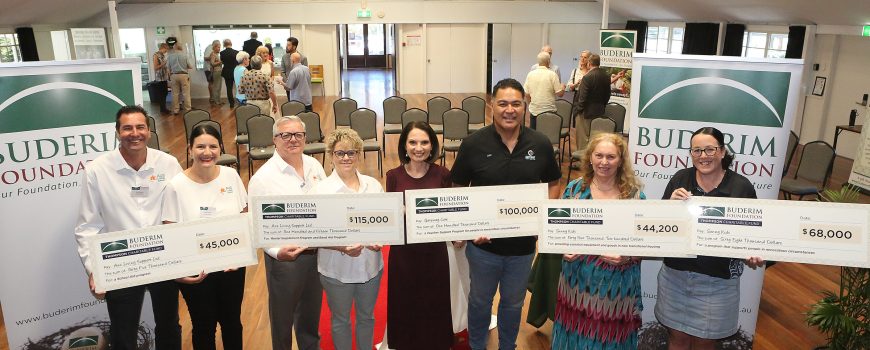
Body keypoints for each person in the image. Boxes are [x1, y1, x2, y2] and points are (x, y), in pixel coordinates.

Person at [451, 78, 562, 350]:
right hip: (483, 248)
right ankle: (478, 346)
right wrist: (466, 229)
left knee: (513, 303)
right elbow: (456, 188)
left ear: (525, 107)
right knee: (480, 302)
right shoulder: (473, 144)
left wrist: (541, 219)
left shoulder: (541, 143)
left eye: (516, 103)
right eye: (502, 103)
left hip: (523, 248)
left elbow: (554, 183)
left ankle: (507, 346)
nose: (509, 109)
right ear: (492, 106)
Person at [74, 105, 182, 350]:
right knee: (123, 331)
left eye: (140, 127)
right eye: (127, 128)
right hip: (121, 262)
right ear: (117, 132)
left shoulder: (168, 164)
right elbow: (87, 226)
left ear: (149, 131)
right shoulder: (97, 171)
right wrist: (94, 269)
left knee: (169, 325)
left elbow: (180, 212)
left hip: (164, 257)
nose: (135, 133)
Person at [656, 127, 764, 350]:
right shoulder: (680, 179)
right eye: (697, 150)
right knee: (677, 338)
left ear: (722, 152)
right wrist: (669, 207)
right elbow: (659, 226)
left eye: (709, 149)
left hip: (717, 284)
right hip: (674, 277)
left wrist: (754, 254)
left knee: (704, 342)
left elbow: (755, 234)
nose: (703, 156)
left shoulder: (741, 187)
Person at [549, 132, 645, 350]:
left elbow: (645, 243)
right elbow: (558, 231)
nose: (604, 162)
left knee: (610, 340)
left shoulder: (634, 196)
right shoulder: (574, 190)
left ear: (621, 160)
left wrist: (627, 256)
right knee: (573, 336)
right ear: (590, 157)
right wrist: (562, 248)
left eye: (611, 157)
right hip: (577, 284)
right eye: (599, 155)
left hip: (616, 288)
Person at [162, 124, 247, 350]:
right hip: (196, 272)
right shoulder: (175, 186)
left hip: (232, 268)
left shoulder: (231, 176)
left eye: (212, 146)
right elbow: (170, 233)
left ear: (220, 148)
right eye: (200, 146)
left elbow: (244, 218)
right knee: (203, 325)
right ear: (190, 149)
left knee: (232, 323)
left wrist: (239, 257)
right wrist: (179, 273)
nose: (207, 152)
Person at [249, 116, 326, 350]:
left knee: (310, 318)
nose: (293, 140)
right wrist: (276, 252)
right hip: (285, 259)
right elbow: (255, 223)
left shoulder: (315, 166)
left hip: (316, 253)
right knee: (282, 322)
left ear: (305, 137)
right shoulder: (262, 178)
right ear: (275, 139)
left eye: (298, 135)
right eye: (286, 135)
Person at [385, 121, 454, 350]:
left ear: (432, 145)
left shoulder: (443, 174)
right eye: (413, 142)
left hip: (434, 252)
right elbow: (390, 218)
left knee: (435, 303)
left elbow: (451, 214)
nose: (418, 147)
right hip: (403, 254)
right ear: (404, 146)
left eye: (424, 142)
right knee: (404, 303)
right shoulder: (393, 176)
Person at [315, 128, 384, 350]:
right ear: (331, 156)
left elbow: (384, 223)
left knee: (367, 317)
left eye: (351, 152)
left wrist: (379, 239)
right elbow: (313, 235)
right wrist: (341, 247)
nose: (346, 158)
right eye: (340, 153)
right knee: (340, 320)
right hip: (336, 270)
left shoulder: (373, 185)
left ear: (358, 154)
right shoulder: (320, 191)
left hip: (371, 267)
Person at [573, 54, 610, 148]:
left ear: (589, 63)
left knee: (583, 140)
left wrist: (577, 110)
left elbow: (583, 98)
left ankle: (583, 161)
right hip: (599, 111)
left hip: (585, 113)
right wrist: (602, 105)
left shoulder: (587, 77)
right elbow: (607, 95)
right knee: (596, 139)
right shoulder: (606, 75)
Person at [524, 51, 564, 129]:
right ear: (548, 61)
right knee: (548, 137)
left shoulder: (530, 74)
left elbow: (527, 94)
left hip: (534, 111)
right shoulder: (552, 74)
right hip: (549, 111)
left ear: (538, 62)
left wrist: (530, 105)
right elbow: (560, 94)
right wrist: (562, 87)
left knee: (534, 136)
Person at [166, 38, 192, 114]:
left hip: (174, 75)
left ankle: (175, 110)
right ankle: (188, 109)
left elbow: (168, 68)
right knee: (186, 93)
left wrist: (169, 76)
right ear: (181, 47)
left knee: (175, 93)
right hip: (184, 75)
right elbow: (190, 66)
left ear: (174, 47)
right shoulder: (185, 56)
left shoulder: (170, 56)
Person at [255, 45, 281, 117]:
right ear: (259, 54)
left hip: (270, 87)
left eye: (267, 52)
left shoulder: (270, 63)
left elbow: (272, 75)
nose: (266, 54)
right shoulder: (257, 64)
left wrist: (271, 81)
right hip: (260, 88)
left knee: (272, 103)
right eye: (264, 53)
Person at [152, 43, 170, 114]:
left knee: (165, 93)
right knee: (161, 94)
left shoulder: (163, 55)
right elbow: (155, 67)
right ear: (163, 48)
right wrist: (163, 64)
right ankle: (162, 109)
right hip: (159, 78)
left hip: (164, 77)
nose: (166, 51)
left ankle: (164, 108)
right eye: (166, 49)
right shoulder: (156, 55)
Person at [220, 39, 239, 108]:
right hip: (235, 72)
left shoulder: (222, 53)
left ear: (224, 45)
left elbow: (222, 61)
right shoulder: (236, 52)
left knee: (229, 88)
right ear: (231, 44)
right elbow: (237, 62)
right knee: (238, 87)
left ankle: (231, 104)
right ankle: (240, 101)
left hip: (226, 72)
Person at [207, 41, 223, 105]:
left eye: (220, 47)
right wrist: (220, 62)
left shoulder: (216, 54)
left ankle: (218, 100)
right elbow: (212, 63)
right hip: (216, 72)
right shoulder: (213, 54)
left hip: (219, 72)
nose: (219, 49)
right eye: (218, 47)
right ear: (215, 47)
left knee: (219, 87)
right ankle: (217, 101)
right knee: (216, 87)